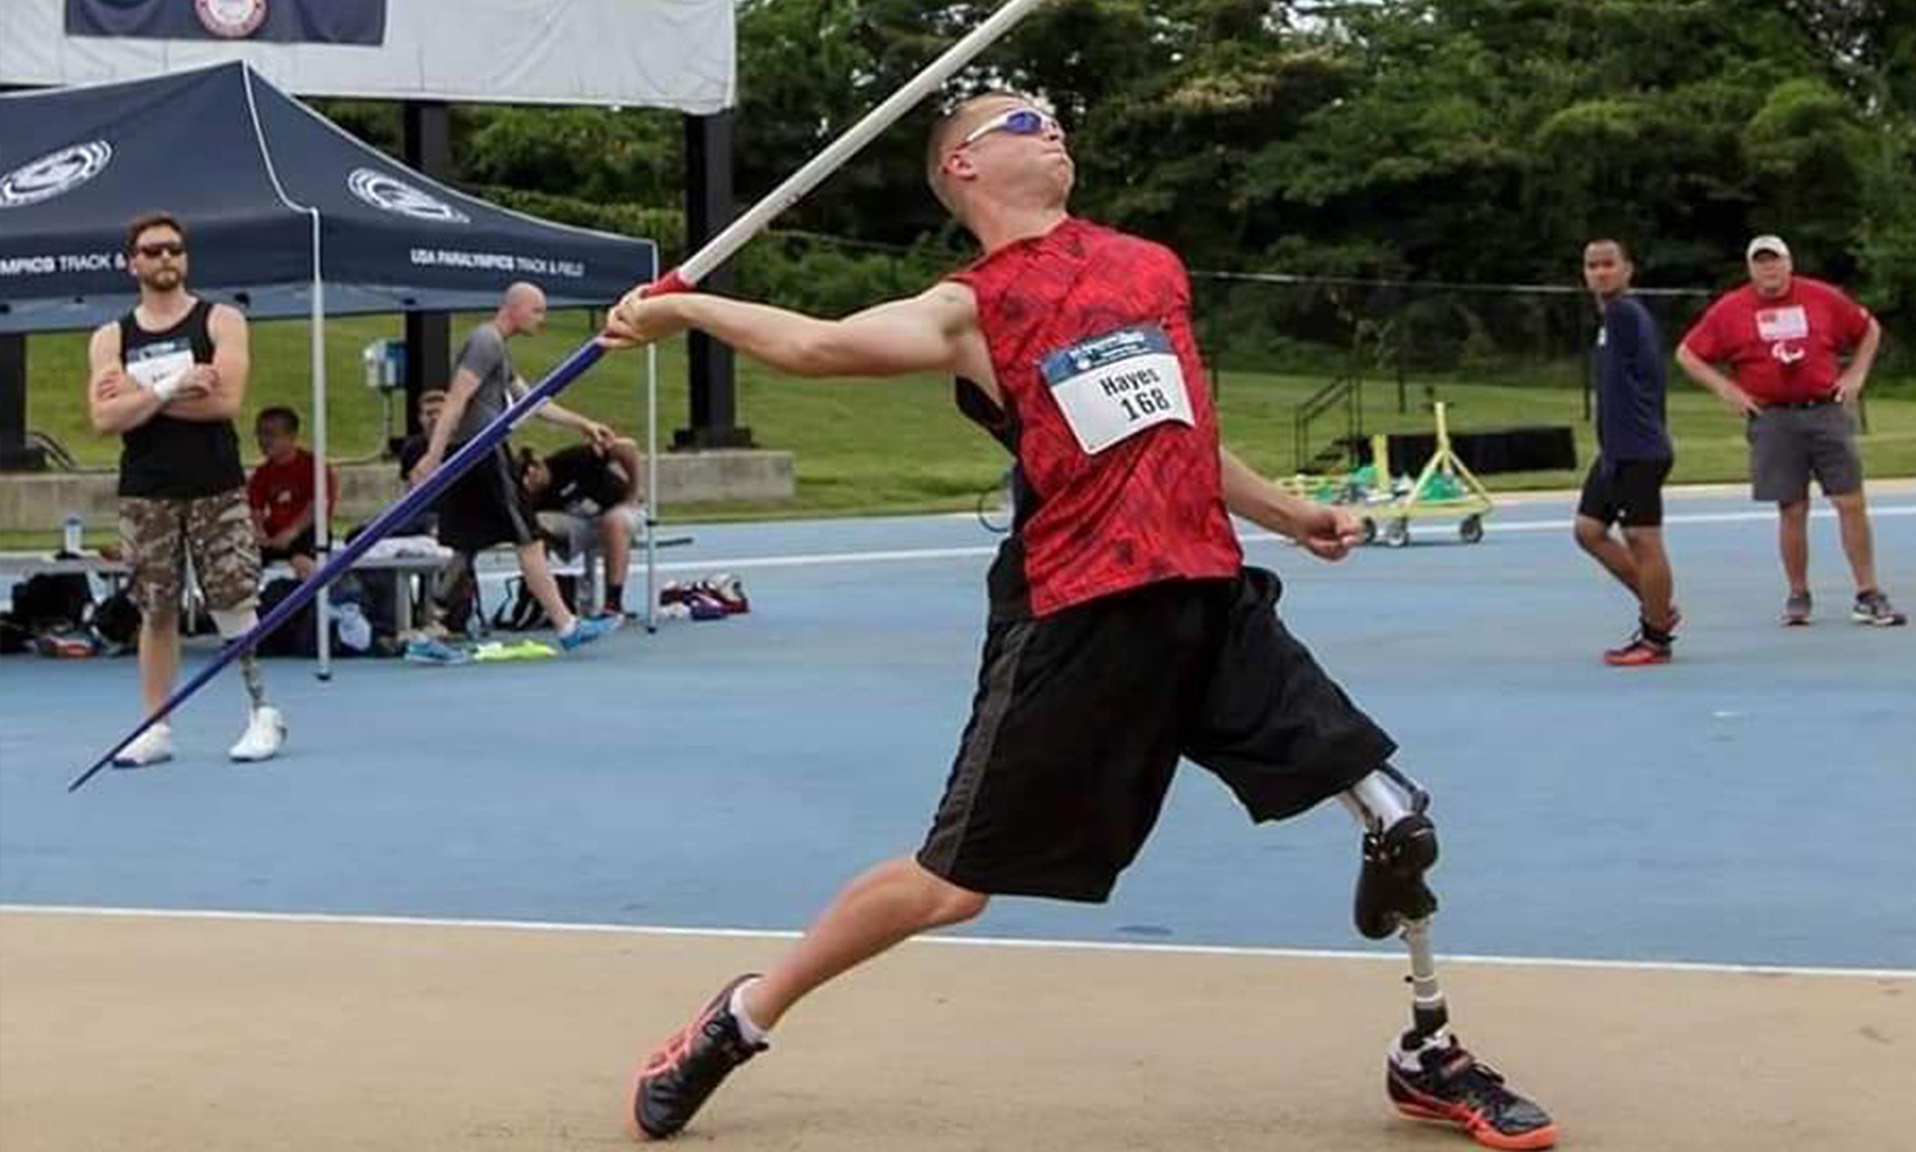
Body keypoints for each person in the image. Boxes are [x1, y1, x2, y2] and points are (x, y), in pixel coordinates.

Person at [599, 92, 1556, 1150]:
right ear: (961, 167)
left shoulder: (1149, 268)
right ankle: (737, 1020)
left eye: (1055, 117)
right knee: (948, 889)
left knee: (1396, 818)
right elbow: (820, 347)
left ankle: (1427, 1057)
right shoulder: (973, 306)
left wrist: (1287, 513)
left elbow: (1180, 435)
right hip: (1078, 618)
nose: (1051, 128)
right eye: (1022, 122)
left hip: (1210, 599)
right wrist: (685, 312)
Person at [85, 212, 285, 765]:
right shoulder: (111, 336)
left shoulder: (221, 320)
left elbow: (224, 402)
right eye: (151, 251)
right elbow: (105, 419)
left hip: (214, 484)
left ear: (186, 257)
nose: (164, 258)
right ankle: (156, 727)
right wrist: (175, 383)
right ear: (133, 264)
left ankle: (262, 711)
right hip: (146, 489)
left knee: (233, 599)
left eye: (173, 249)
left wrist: (139, 392)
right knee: (156, 608)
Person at [1676, 236, 1905, 627]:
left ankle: (1867, 592)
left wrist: (1856, 373)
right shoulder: (1732, 308)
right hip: (1774, 417)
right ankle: (1798, 593)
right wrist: (1726, 389)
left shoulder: (1822, 297)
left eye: (1775, 261)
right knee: (1792, 508)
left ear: (1788, 263)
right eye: (1761, 262)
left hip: (1824, 410)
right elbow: (1688, 353)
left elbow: (1869, 329)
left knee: (1850, 501)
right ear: (1750, 268)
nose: (1769, 269)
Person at [410, 283, 617, 650]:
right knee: (527, 538)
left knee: (464, 545)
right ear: (514, 308)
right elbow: (457, 399)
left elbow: (533, 400)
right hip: (483, 452)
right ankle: (566, 625)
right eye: (536, 311)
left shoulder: (497, 349)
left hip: (470, 453)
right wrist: (434, 455)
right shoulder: (485, 342)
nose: (542, 319)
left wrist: (582, 423)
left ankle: (431, 627)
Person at [1573, 240, 1678, 666]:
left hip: (1638, 448)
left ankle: (1656, 637)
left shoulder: (1624, 313)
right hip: (1614, 450)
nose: (1600, 273)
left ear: (1627, 270)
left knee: (1643, 539)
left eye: (1608, 265)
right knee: (1588, 529)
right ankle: (1659, 606)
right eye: (1592, 266)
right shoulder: (1609, 319)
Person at [518, 438, 644, 616]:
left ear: (537, 467)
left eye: (530, 473)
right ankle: (538, 598)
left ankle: (613, 602)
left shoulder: (572, 459)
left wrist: (633, 492)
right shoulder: (531, 496)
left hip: (620, 512)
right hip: (579, 525)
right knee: (531, 523)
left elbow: (628, 447)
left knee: (614, 521)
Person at [247, 405, 336, 579]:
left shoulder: (313, 468)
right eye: (260, 434)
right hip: (274, 533)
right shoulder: (262, 473)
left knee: (303, 561)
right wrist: (259, 531)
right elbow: (255, 507)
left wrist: (291, 532)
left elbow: (317, 506)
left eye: (271, 434)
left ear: (291, 436)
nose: (264, 441)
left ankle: (312, 601)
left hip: (307, 533)